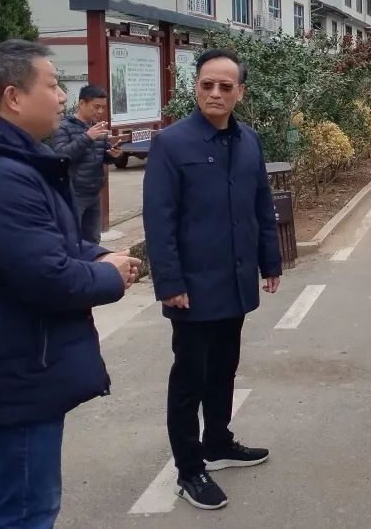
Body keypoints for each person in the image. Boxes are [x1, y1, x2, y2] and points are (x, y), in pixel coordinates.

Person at [0, 40, 140, 529]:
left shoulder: (12, 163)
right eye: (53, 85)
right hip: (16, 368)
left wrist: (96, 254)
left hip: (7, 364)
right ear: (13, 97)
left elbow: (45, 242)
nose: (62, 97)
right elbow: (47, 276)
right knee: (25, 511)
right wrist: (108, 275)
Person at [143, 48, 283, 512]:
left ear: (240, 92)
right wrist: (170, 283)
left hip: (235, 280)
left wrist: (270, 262)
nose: (216, 93)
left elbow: (261, 205)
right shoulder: (172, 143)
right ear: (196, 88)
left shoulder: (249, 141)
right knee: (190, 378)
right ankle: (189, 469)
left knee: (224, 367)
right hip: (192, 286)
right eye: (207, 85)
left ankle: (218, 442)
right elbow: (159, 221)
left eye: (226, 86)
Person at [49, 84, 122, 243]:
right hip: (73, 192)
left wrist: (113, 155)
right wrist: (88, 137)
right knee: (72, 239)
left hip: (94, 192)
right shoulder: (63, 127)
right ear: (82, 103)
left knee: (93, 239)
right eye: (96, 107)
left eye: (103, 107)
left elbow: (101, 156)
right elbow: (61, 156)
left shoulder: (96, 128)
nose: (100, 111)